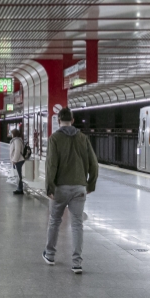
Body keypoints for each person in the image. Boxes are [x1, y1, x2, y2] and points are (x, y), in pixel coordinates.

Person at [42, 107, 98, 274]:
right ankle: (77, 263)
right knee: (77, 224)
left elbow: (51, 164)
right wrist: (90, 184)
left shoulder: (55, 138)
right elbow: (94, 163)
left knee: (55, 221)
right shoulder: (83, 138)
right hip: (79, 188)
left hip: (60, 187)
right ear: (73, 120)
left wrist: (49, 186)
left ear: (59, 121)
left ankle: (50, 255)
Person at [9, 128, 26, 195]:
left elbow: (17, 151)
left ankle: (20, 189)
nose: (11, 134)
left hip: (18, 160)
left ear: (14, 134)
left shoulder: (17, 141)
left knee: (19, 175)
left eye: (12, 133)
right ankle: (19, 188)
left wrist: (14, 160)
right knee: (18, 175)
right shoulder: (15, 140)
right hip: (17, 160)